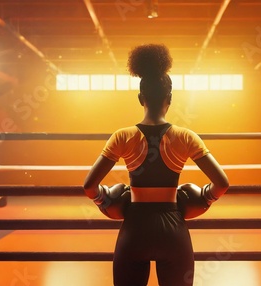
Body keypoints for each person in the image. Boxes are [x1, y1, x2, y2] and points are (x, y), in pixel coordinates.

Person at [83, 44, 229, 286]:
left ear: (140, 98)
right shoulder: (186, 136)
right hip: (173, 228)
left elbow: (89, 186)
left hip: (135, 229)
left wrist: (106, 200)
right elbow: (222, 184)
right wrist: (203, 199)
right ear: (169, 98)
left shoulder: (122, 136)